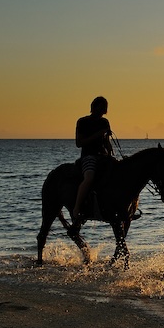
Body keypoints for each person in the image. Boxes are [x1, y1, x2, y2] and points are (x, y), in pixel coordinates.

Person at [70, 96, 114, 233]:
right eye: (100, 108)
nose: (102, 111)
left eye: (104, 108)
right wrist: (98, 134)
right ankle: (77, 208)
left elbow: (106, 141)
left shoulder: (104, 122)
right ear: (94, 108)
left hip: (103, 156)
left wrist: (109, 149)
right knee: (89, 178)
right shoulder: (83, 121)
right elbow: (79, 143)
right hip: (88, 156)